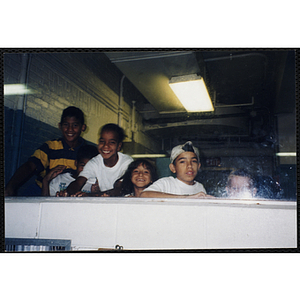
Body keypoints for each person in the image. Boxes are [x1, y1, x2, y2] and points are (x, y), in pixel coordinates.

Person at [5, 106, 87, 196]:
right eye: (66, 124)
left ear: (82, 127)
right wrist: (10, 186)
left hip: (70, 193)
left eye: (75, 125)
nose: (70, 129)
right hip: (42, 189)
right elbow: (30, 165)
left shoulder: (87, 151)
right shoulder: (50, 147)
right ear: (60, 126)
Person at [59, 123, 133, 197]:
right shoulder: (95, 162)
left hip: (126, 203)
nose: (105, 146)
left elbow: (119, 189)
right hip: (105, 202)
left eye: (111, 142)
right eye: (102, 141)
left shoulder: (127, 162)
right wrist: (67, 192)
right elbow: (78, 182)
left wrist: (91, 195)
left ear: (118, 146)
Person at [140, 141, 213, 198]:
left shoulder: (200, 187)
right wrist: (186, 198)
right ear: (173, 168)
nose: (189, 166)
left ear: (198, 166)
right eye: (183, 162)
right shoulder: (167, 183)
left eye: (193, 161)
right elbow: (144, 195)